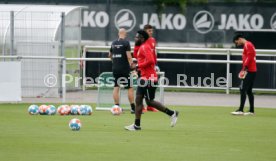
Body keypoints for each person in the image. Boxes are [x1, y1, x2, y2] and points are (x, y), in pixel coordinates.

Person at [124, 30, 179, 131]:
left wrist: (138, 66)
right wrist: (137, 65)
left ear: (142, 38)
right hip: (144, 78)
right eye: (135, 37)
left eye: (137, 37)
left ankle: (172, 113)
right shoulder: (141, 47)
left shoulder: (145, 47)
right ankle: (136, 125)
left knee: (149, 102)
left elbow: (151, 61)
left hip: (149, 78)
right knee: (138, 100)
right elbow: (143, 60)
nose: (135, 38)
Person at [133, 24, 159, 112]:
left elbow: (154, 53)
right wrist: (138, 66)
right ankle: (142, 106)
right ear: (145, 32)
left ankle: (149, 106)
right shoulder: (141, 42)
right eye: (149, 31)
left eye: (152, 31)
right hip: (142, 69)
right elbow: (136, 54)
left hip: (150, 68)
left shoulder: (152, 40)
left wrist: (155, 64)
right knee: (141, 89)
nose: (151, 32)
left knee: (148, 88)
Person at [108, 28, 135, 112]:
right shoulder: (126, 43)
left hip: (115, 68)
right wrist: (132, 66)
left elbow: (109, 55)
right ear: (125, 34)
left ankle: (117, 107)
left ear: (118, 34)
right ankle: (133, 108)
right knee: (130, 87)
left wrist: (114, 61)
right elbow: (129, 56)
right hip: (125, 69)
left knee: (116, 87)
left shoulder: (113, 43)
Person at [231, 34, 257, 116]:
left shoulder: (247, 45)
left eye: (237, 42)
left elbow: (250, 56)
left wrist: (245, 67)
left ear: (239, 39)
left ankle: (241, 110)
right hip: (251, 70)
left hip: (249, 70)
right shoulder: (249, 44)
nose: (237, 44)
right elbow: (250, 56)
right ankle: (251, 111)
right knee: (249, 91)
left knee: (242, 89)